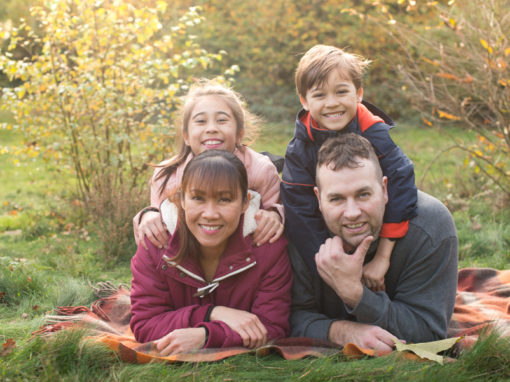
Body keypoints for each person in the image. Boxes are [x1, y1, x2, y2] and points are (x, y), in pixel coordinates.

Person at [289, 134, 458, 351]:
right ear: (318, 199)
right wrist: (342, 331)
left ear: (385, 189)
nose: (352, 213)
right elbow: (287, 318)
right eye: (337, 199)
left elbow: (428, 333)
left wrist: (355, 294)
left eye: (363, 195)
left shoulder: (430, 227)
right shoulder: (300, 229)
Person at [281, 44, 417, 291]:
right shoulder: (300, 149)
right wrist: (332, 265)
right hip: (327, 230)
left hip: (374, 228)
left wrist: (382, 257)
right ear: (305, 101)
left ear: (359, 94)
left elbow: (401, 180)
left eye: (341, 92)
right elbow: (299, 211)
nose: (332, 103)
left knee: (422, 211)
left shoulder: (374, 131)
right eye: (320, 95)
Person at [130, 150, 292, 355]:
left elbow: (272, 327)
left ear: (244, 203)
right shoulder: (156, 243)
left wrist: (206, 336)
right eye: (198, 198)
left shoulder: (267, 246)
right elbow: (145, 324)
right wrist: (213, 314)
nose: (210, 214)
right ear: (181, 200)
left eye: (224, 200)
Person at [134, 79, 284, 251]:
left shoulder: (260, 170)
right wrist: (148, 215)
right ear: (186, 136)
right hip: (185, 256)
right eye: (201, 121)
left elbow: (275, 208)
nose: (211, 128)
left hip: (245, 256)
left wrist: (274, 215)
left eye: (221, 120)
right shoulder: (167, 175)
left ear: (239, 134)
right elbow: (156, 214)